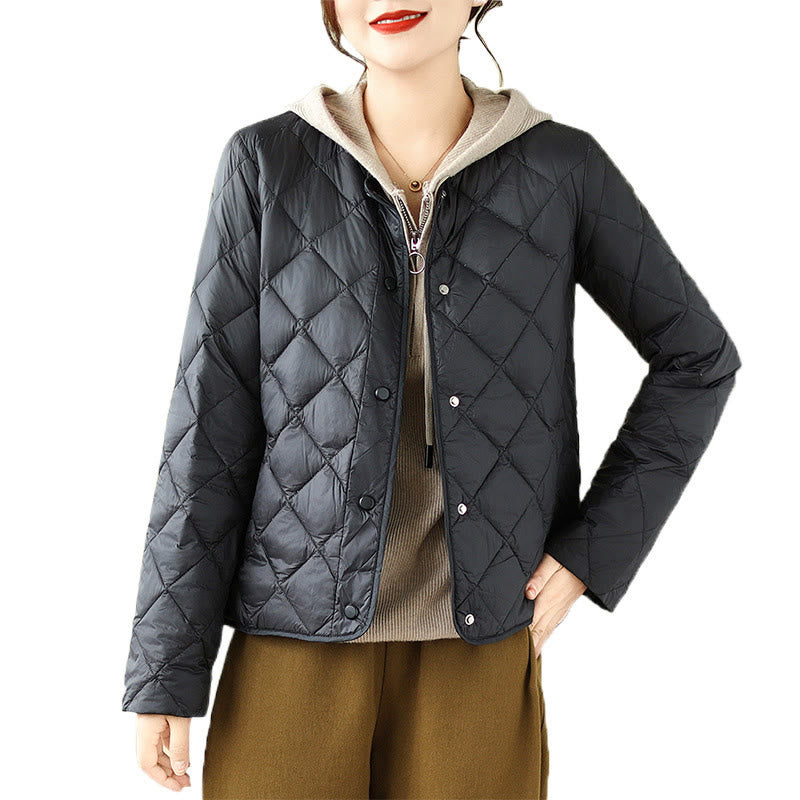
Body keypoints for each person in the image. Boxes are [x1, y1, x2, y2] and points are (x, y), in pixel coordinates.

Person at [121, 2, 742, 798]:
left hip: (477, 648)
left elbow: (698, 360)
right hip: (290, 645)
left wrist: (592, 553)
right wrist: (166, 670)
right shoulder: (268, 162)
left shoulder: (560, 168)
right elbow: (210, 425)